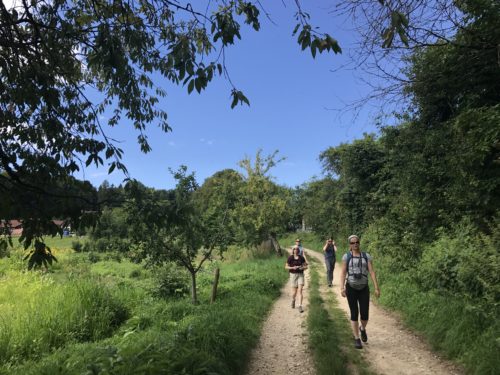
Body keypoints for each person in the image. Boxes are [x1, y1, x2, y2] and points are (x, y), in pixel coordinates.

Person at [339, 235, 380, 349]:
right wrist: (342, 288)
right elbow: (343, 272)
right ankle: (357, 338)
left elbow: (371, 272)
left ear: (359, 243)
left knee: (365, 314)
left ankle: (362, 328)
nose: (355, 244)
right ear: (350, 245)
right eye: (352, 243)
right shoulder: (346, 257)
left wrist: (376, 287)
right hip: (351, 287)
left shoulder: (366, 256)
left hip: (364, 287)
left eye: (357, 242)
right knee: (354, 313)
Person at [285, 245, 308, 313]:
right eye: (295, 249)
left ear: (299, 250)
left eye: (297, 249)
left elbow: (306, 266)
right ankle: (293, 300)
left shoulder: (301, 257)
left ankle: (300, 306)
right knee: (294, 292)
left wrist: (302, 268)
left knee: (300, 290)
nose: (296, 250)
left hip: (300, 275)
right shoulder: (290, 258)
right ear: (293, 250)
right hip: (293, 275)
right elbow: (286, 267)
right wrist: (292, 268)